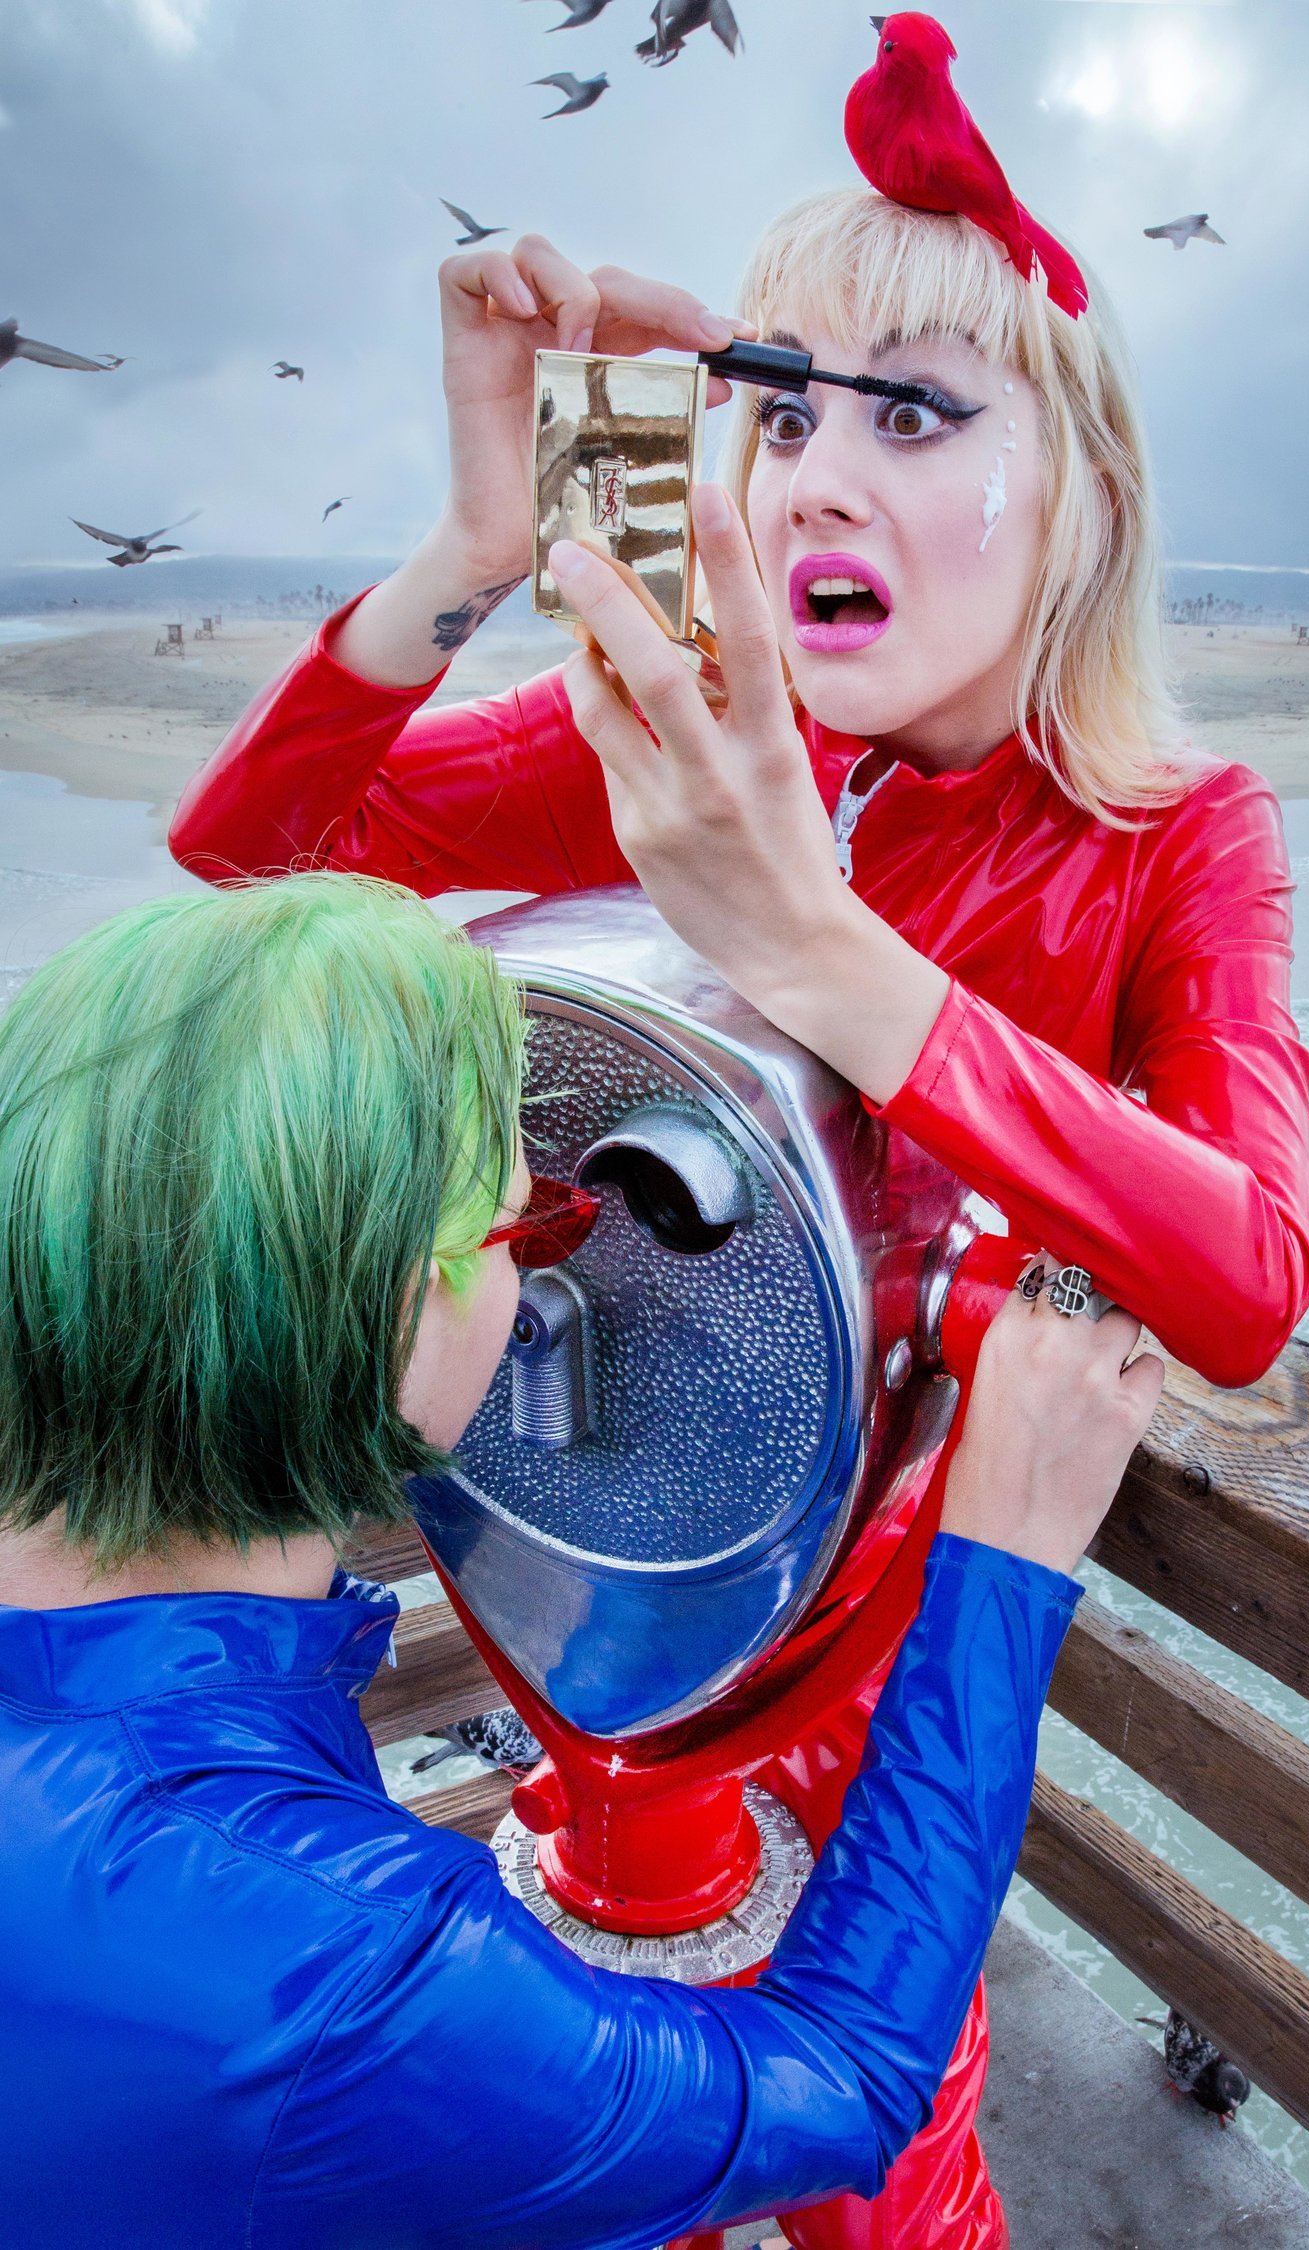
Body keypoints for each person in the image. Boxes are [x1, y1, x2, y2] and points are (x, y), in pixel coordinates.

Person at [166, 186, 1309, 2249]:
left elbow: (1245, 1281)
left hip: (878, 1679)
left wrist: (817, 952)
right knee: (617, 2162)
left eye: (913, 415)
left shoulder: (1170, 839)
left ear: (1082, 488)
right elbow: (256, 855)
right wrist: (484, 547)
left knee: (887, 2161)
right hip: (600, 1585)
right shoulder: (676, 734)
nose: (817, 481)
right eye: (783, 415)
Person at [0, 873, 1163, 2250]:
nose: (542, 1291)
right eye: (526, 1229)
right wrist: (1003, 1549)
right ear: (400, 1306)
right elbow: (839, 2084)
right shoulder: (343, 1976)